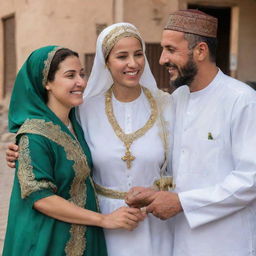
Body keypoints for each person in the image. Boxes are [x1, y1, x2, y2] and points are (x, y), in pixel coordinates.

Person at [6, 24, 174, 255]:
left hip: (152, 223)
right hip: (96, 224)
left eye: (138, 54)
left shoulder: (167, 106)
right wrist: (22, 150)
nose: (133, 63)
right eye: (122, 56)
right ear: (106, 62)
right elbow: (40, 187)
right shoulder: (85, 111)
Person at [126, 9, 256, 256]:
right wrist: (157, 194)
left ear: (201, 51)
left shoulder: (242, 101)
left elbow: (250, 180)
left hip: (228, 243)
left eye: (171, 50)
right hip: (181, 240)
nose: (162, 59)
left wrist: (181, 202)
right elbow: (185, 171)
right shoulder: (179, 98)